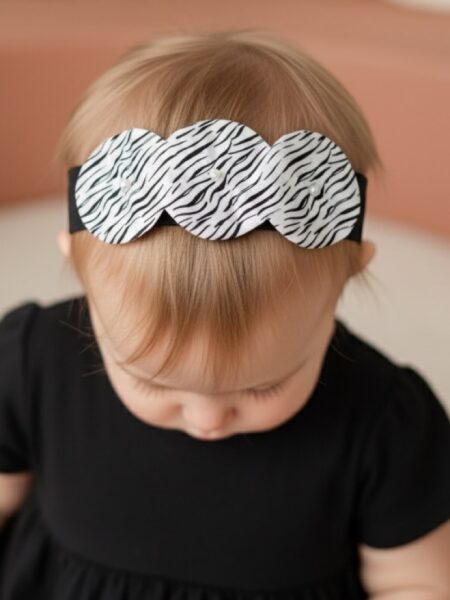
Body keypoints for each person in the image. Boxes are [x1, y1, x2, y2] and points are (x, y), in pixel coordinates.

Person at [0, 29, 449, 600]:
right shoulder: (32, 362)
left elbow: (415, 581)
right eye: (151, 379)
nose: (208, 419)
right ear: (80, 271)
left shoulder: (387, 425)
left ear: (346, 280)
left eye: (263, 386)